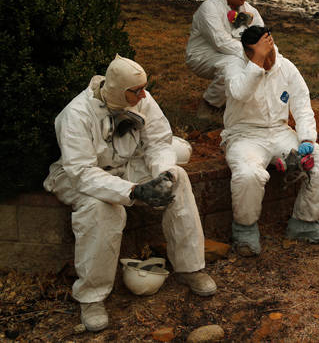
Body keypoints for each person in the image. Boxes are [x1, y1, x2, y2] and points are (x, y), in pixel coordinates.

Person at [43, 55, 216, 332]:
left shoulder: (142, 100)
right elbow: (82, 172)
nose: (144, 94)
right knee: (103, 209)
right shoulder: (75, 115)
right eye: (136, 90)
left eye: (144, 88)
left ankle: (190, 268)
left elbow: (159, 142)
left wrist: (161, 176)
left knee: (178, 178)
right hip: (81, 177)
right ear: (115, 89)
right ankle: (92, 297)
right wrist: (134, 191)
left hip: (125, 167)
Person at [218, 26, 319, 256]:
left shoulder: (286, 67)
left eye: (271, 53)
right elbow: (241, 93)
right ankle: (244, 229)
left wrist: (307, 140)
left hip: (280, 133)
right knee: (248, 174)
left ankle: (303, 222)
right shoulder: (234, 67)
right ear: (248, 53)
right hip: (244, 136)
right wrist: (257, 62)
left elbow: (302, 107)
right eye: (263, 55)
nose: (269, 60)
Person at [186, 0, 265, 119]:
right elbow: (220, 42)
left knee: (252, 65)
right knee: (234, 64)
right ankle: (209, 106)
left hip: (234, 53)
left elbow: (262, 36)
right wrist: (253, 54)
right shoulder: (209, 8)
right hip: (202, 55)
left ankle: (238, 103)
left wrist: (267, 53)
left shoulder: (249, 10)